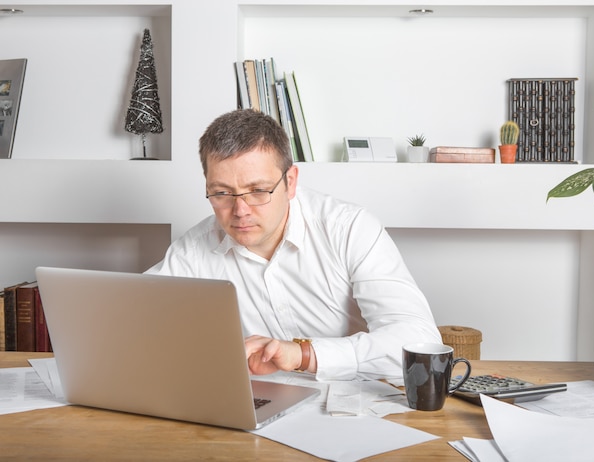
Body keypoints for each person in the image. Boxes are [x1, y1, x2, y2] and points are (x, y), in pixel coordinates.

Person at [146, 109, 442, 381]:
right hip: (254, 412)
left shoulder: (349, 229)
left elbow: (418, 343)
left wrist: (302, 354)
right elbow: (137, 324)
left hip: (356, 404)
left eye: (258, 190)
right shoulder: (193, 250)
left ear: (291, 181)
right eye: (222, 193)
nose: (240, 210)